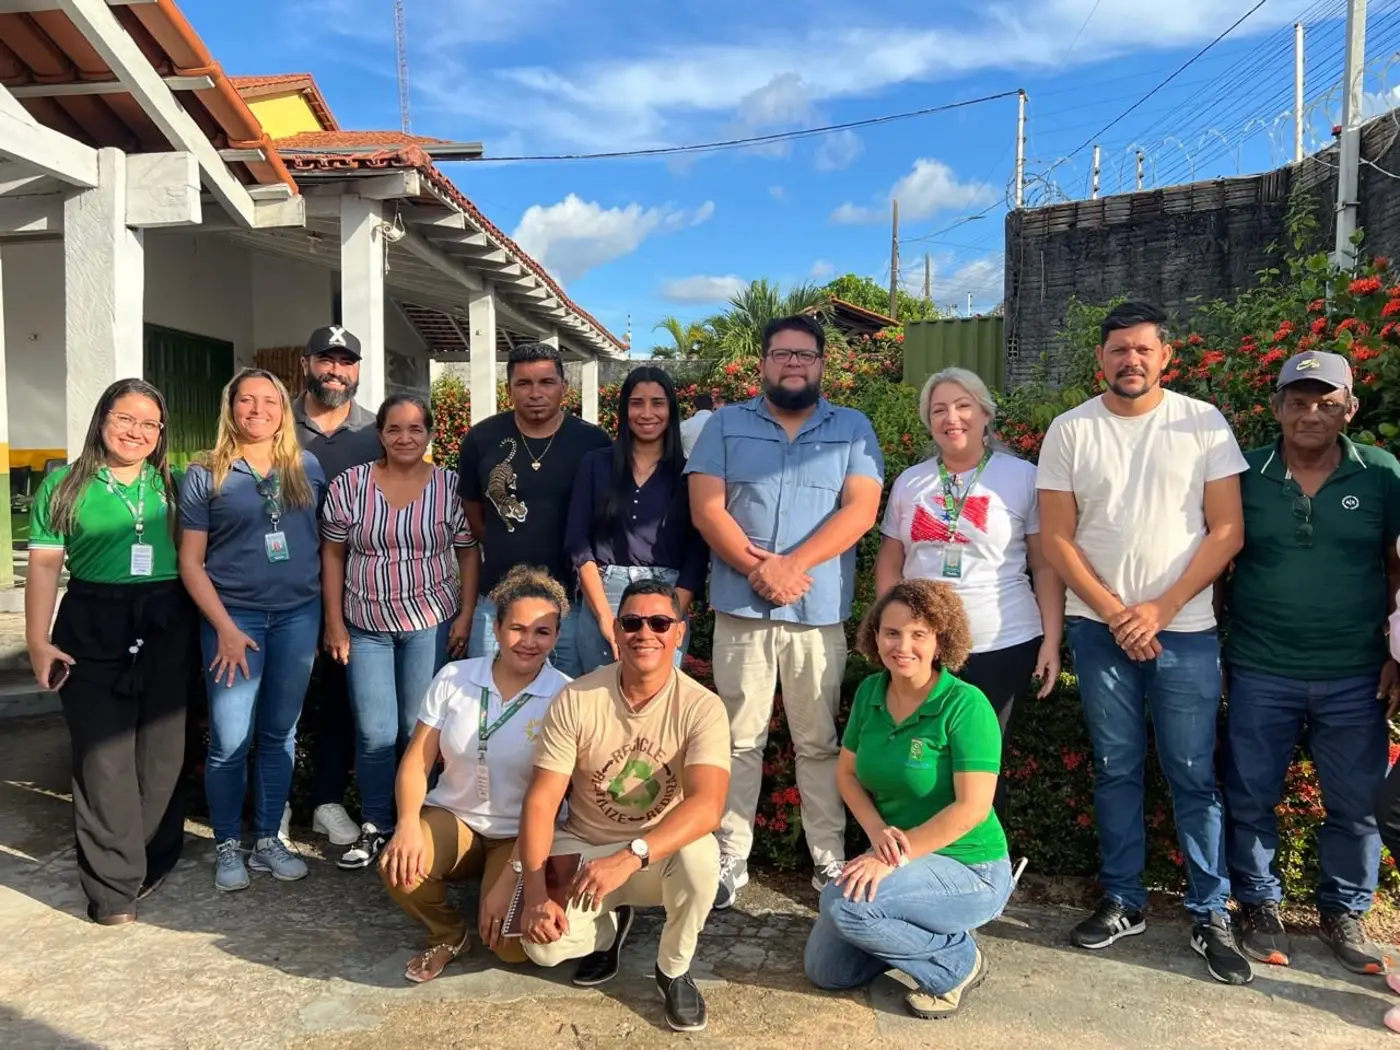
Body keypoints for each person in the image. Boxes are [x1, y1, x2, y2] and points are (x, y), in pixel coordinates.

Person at [1036, 301, 1251, 984]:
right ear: (1100, 359)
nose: (1130, 360)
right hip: (1098, 631)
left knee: (1193, 772)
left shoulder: (1202, 422)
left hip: (1185, 631)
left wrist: (1160, 608)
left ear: (1166, 357)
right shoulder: (1070, 430)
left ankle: (1209, 911)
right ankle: (1123, 900)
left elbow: (1227, 530)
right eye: (1118, 350)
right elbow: (1057, 538)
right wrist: (1116, 613)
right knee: (1116, 767)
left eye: (1143, 349)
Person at [686, 314, 884, 909]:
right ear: (764, 363)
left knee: (819, 742)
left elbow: (861, 510)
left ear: (821, 364)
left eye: (804, 355)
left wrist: (792, 565)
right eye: (782, 354)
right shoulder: (725, 424)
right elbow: (707, 509)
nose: (793, 363)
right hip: (742, 612)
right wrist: (761, 570)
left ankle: (828, 860)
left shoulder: (851, 428)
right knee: (737, 741)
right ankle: (729, 857)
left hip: (816, 613)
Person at [1223, 350, 1400, 975]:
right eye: (1298, 402)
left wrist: (1398, 654)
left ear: (1350, 409)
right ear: (1276, 407)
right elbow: (1219, 561)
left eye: (1327, 403)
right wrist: (1215, 646)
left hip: (1356, 672)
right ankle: (1259, 905)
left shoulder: (1382, 474)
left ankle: (1344, 911)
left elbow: (1398, 566)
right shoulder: (1245, 472)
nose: (1311, 414)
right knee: (1250, 795)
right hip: (1260, 665)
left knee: (1356, 804)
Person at [517, 579, 730, 1033]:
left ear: (679, 632)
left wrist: (630, 856)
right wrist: (535, 893)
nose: (644, 633)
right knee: (542, 948)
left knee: (701, 855)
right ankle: (611, 928)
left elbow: (707, 806)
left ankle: (673, 970)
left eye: (660, 623)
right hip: (585, 847)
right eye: (632, 622)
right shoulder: (577, 698)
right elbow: (541, 800)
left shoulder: (702, 707)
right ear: (616, 630)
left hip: (654, 854)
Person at [24, 380, 196, 926]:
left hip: (167, 617)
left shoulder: (175, 483)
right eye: (125, 419)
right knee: (102, 757)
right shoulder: (64, 485)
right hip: (93, 619)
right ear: (103, 420)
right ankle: (112, 889)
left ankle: (151, 858)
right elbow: (45, 566)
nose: (136, 432)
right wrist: (38, 640)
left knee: (162, 753)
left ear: (161, 433)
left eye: (149, 424)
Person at [804, 579, 1012, 1020]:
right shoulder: (870, 692)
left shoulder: (965, 705)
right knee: (828, 971)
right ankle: (906, 934)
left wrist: (894, 857)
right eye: (892, 633)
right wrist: (878, 833)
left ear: (940, 640)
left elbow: (972, 808)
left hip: (970, 868)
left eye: (919, 634)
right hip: (901, 856)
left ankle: (958, 963)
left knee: (844, 906)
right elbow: (846, 774)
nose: (903, 646)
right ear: (875, 636)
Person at [875, 367, 1064, 833]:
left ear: (985, 414)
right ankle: (914, 853)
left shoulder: (1021, 477)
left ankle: (980, 863)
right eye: (938, 409)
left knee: (980, 766)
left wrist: (1052, 640)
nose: (952, 417)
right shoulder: (910, 483)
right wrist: (890, 632)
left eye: (963, 406)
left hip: (1001, 641)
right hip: (924, 646)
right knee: (919, 761)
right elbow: (890, 563)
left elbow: (1044, 565)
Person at [379, 566, 571, 983]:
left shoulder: (566, 696)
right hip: (455, 820)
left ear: (557, 636)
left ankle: (494, 889)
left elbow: (553, 801)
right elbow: (416, 761)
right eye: (517, 628)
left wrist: (511, 877)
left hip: (522, 835)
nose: (529, 641)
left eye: (542, 632)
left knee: (513, 948)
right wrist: (407, 824)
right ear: (496, 628)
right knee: (401, 866)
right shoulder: (455, 677)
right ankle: (449, 935)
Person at [179, 368, 327, 892]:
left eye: (269, 400)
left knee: (279, 734)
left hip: (297, 617)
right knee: (229, 739)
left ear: (284, 410)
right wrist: (222, 627)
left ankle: (267, 839)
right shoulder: (207, 473)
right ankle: (226, 843)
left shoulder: (306, 466)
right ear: (231, 407)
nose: (258, 410)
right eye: (247, 400)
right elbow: (191, 562)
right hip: (233, 620)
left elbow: (322, 545)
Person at [321, 394, 479, 871]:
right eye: (394, 429)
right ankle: (376, 824)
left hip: (429, 623)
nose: (405, 438)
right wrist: (334, 622)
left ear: (430, 434)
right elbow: (333, 554)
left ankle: (418, 825)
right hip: (365, 624)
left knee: (417, 730)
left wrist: (466, 614)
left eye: (415, 429)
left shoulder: (449, 485)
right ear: (380, 434)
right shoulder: (351, 485)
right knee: (374, 732)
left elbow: (468, 552)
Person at [457, 342, 611, 677]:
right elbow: (475, 514)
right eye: (524, 383)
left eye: (546, 382)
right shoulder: (481, 440)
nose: (535, 393)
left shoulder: (593, 443)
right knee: (488, 691)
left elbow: (604, 518)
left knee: (567, 696)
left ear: (564, 388)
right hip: (496, 601)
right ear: (509, 390)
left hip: (570, 604)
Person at [295, 324, 383, 851]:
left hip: (352, 592)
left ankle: (326, 801)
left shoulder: (376, 433)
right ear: (307, 364)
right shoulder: (276, 423)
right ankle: (274, 805)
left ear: (357, 370)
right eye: (326, 360)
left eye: (346, 362)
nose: (335, 371)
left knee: (339, 699)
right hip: (280, 588)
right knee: (275, 701)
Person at [565, 367, 707, 676]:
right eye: (637, 402)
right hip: (604, 593)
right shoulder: (595, 464)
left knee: (655, 697)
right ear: (624, 408)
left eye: (657, 403)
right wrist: (605, 616)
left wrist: (671, 615)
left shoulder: (689, 473)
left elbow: (697, 553)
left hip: (666, 596)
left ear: (671, 409)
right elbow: (577, 541)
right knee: (599, 695)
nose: (647, 413)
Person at [679, 393, 716, 458]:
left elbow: (679, 448)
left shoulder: (684, 425)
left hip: (690, 462)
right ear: (712, 406)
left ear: (695, 407)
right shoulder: (722, 424)